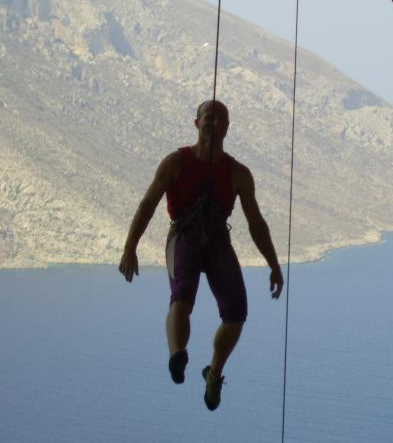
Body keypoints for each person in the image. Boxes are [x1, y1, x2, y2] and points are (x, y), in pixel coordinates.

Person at [119, 100, 284, 411]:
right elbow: (147, 205)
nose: (215, 123)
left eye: (221, 119)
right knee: (182, 295)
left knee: (237, 312)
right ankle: (177, 355)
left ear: (228, 128)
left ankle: (214, 373)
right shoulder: (175, 162)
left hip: (217, 240)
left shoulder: (238, 173)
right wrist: (130, 247)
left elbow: (256, 223)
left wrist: (274, 265)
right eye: (209, 117)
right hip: (184, 236)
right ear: (196, 123)